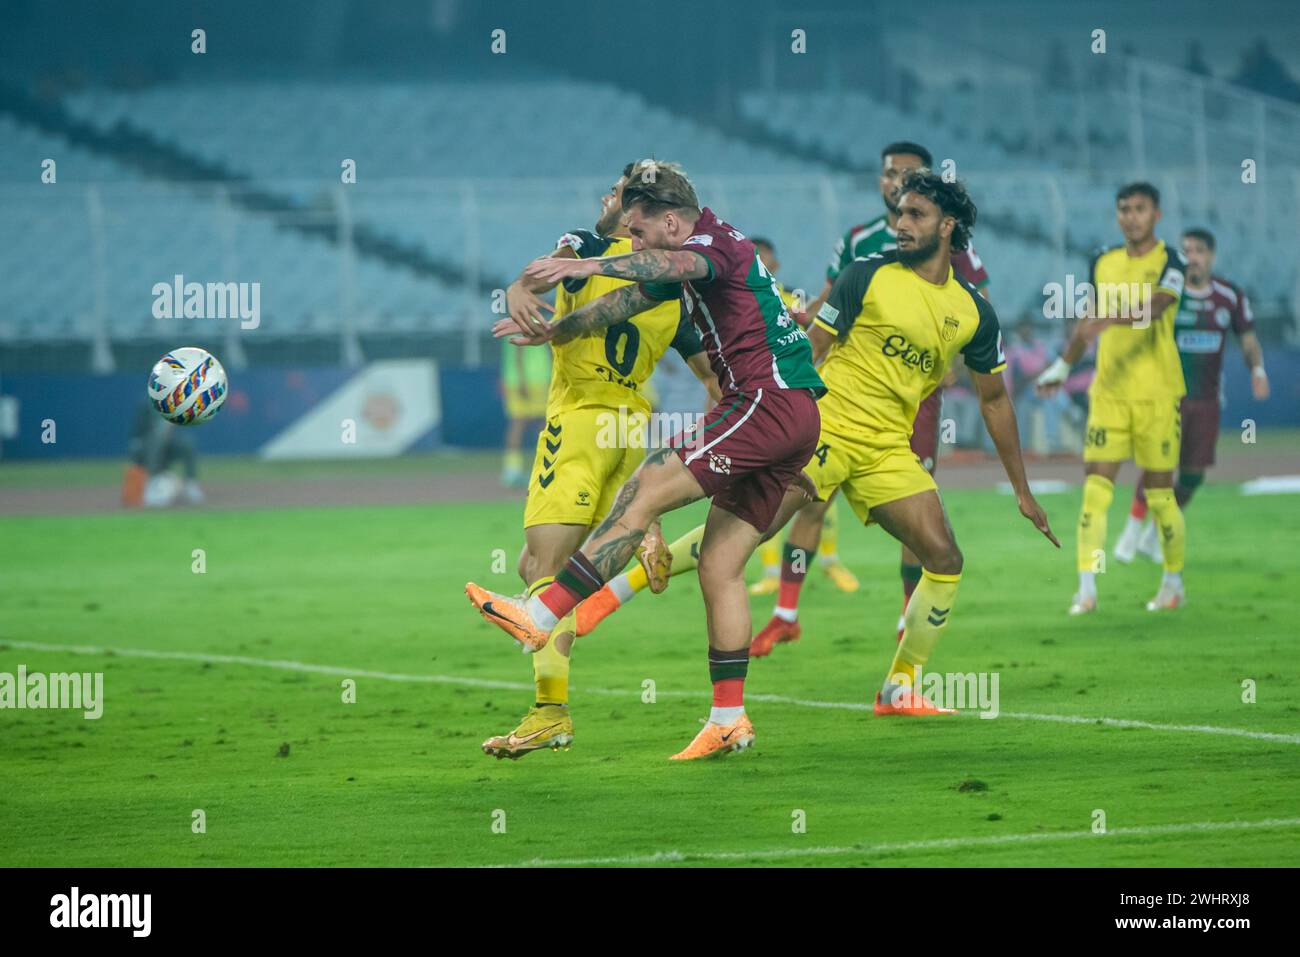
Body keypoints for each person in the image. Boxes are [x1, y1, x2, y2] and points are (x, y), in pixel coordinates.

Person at [468, 160, 825, 760]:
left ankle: (541, 610)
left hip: (762, 400)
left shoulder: (711, 242)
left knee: (646, 490)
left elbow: (673, 264)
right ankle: (729, 718)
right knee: (720, 566)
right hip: (789, 413)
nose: (631, 240)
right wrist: (557, 331)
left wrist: (583, 265)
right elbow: (626, 301)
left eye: (638, 231)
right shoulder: (690, 254)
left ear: (669, 220)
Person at [750, 171, 1057, 716]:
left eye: (915, 213)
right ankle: (617, 583)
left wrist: (1022, 490)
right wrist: (774, 422)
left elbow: (995, 400)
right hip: (826, 428)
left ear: (948, 225)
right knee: (747, 530)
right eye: (899, 213)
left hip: (888, 447)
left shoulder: (974, 311)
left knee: (944, 554)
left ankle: (898, 688)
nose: (900, 223)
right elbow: (811, 351)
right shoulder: (864, 273)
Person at [481, 161, 719, 759]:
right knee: (551, 559)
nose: (606, 199)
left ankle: (549, 713)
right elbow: (713, 377)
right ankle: (644, 534)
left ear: (633, 209)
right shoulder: (676, 283)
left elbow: (530, 279)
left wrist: (516, 291)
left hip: (582, 419)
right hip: (632, 425)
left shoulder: (584, 245)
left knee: (540, 563)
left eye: (616, 194)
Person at [757, 141, 994, 649]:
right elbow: (828, 300)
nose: (896, 182)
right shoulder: (858, 241)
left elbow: (976, 309)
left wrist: (952, 360)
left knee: (917, 515)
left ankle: (906, 617)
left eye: (908, 176)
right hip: (846, 388)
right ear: (880, 180)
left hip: (913, 399)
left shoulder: (953, 245)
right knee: (810, 504)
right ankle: (785, 610)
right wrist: (804, 333)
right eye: (890, 174)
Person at [1036, 182, 1189, 614]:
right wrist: (1063, 366)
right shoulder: (1101, 260)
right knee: (1095, 494)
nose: (1131, 216)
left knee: (1160, 497)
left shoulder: (1170, 259)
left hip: (1158, 394)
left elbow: (1159, 307)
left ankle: (1172, 583)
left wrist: (1110, 317)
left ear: (1156, 214)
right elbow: (1087, 324)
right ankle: (1086, 589)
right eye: (1124, 209)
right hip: (1109, 395)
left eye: (1140, 209)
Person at [1114, 227, 1270, 563]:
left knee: (1193, 474)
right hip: (1166, 396)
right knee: (1159, 463)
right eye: (1186, 251)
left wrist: (1257, 370)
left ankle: (1154, 534)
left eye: (1198, 250)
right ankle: (1131, 530)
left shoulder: (1230, 296)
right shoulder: (1169, 295)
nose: (1192, 257)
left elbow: (1248, 339)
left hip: (1207, 400)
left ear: (1211, 256)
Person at [748, 235, 860, 596]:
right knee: (765, 484)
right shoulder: (742, 300)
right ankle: (768, 572)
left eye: (761, 258)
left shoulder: (793, 298)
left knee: (821, 483)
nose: (756, 264)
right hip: (765, 399)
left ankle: (830, 561)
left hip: (803, 398)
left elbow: (816, 331)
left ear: (775, 264)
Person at [498, 337, 550, 488]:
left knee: (543, 424)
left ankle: (541, 466)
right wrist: (522, 381)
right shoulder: (524, 320)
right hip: (530, 381)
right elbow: (519, 353)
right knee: (521, 422)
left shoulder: (524, 320)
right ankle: (513, 470)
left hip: (534, 380)